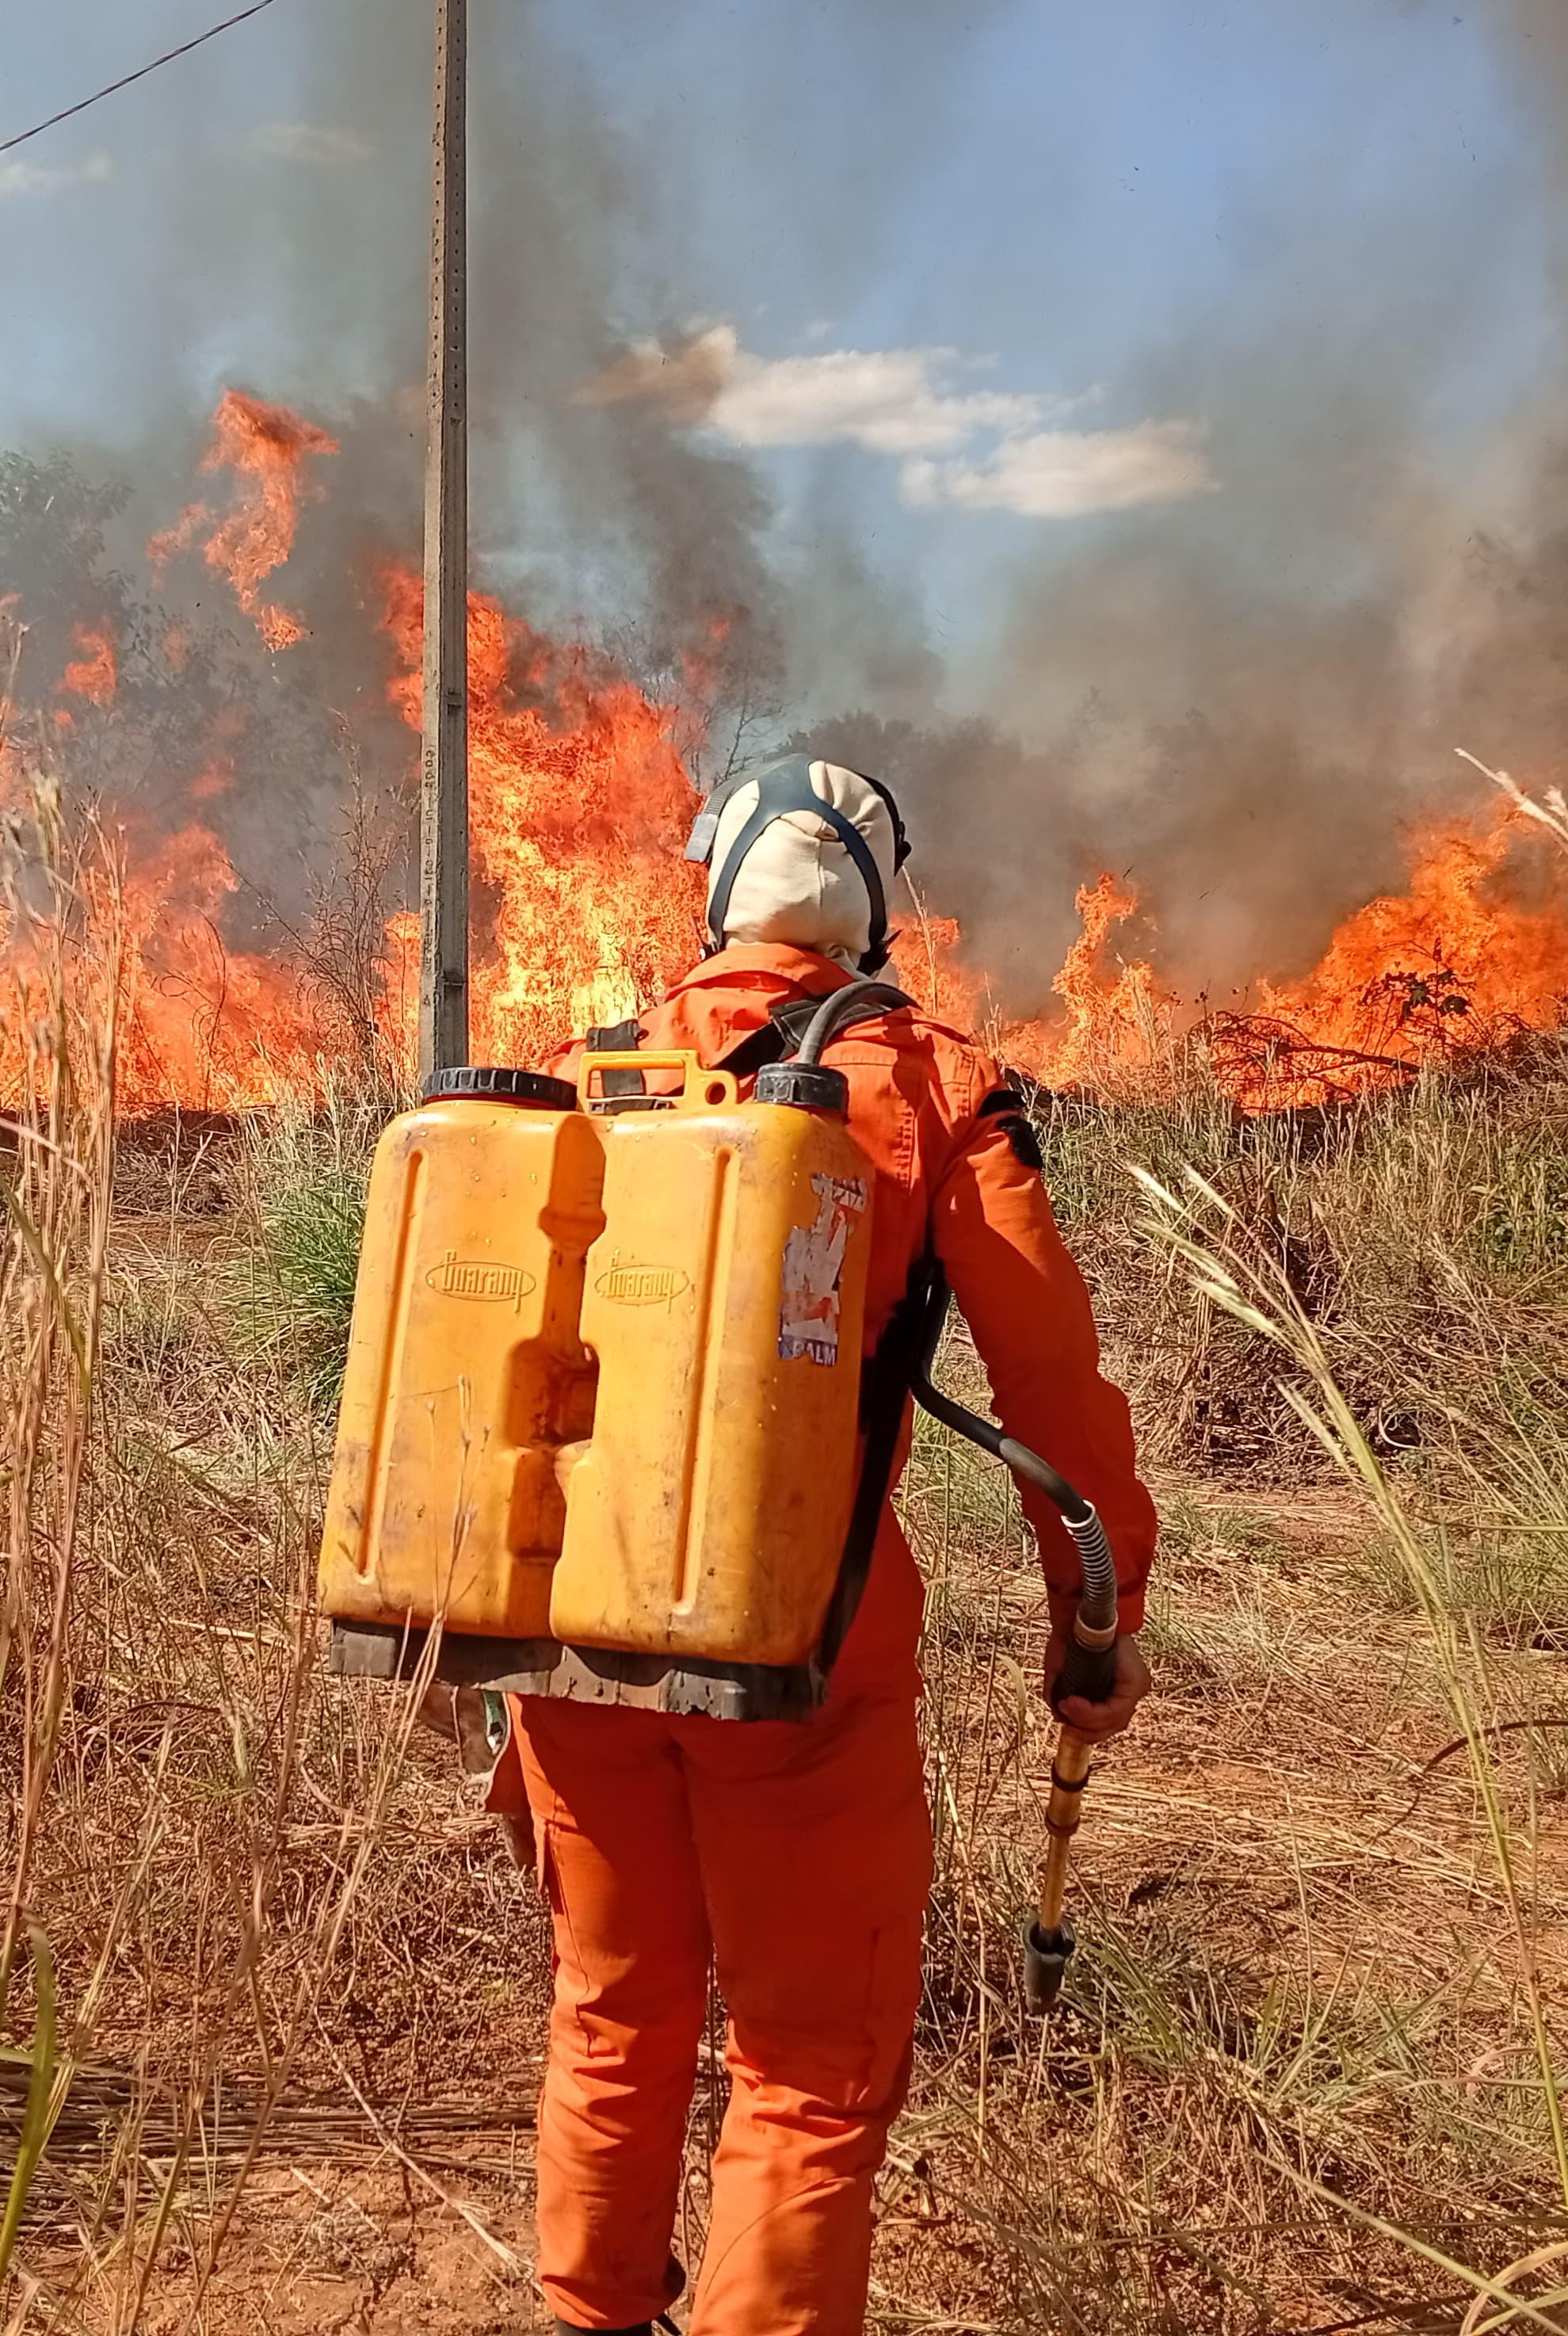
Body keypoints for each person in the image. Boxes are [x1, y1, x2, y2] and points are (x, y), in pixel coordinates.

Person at [503, 757, 1159, 2336]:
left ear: (717, 890)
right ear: (873, 909)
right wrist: (1100, 1612)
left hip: (569, 1629)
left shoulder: (586, 1068)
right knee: (806, 2064)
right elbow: (1052, 1391)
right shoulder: (929, 1083)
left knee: (611, 2015)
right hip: (802, 1649)